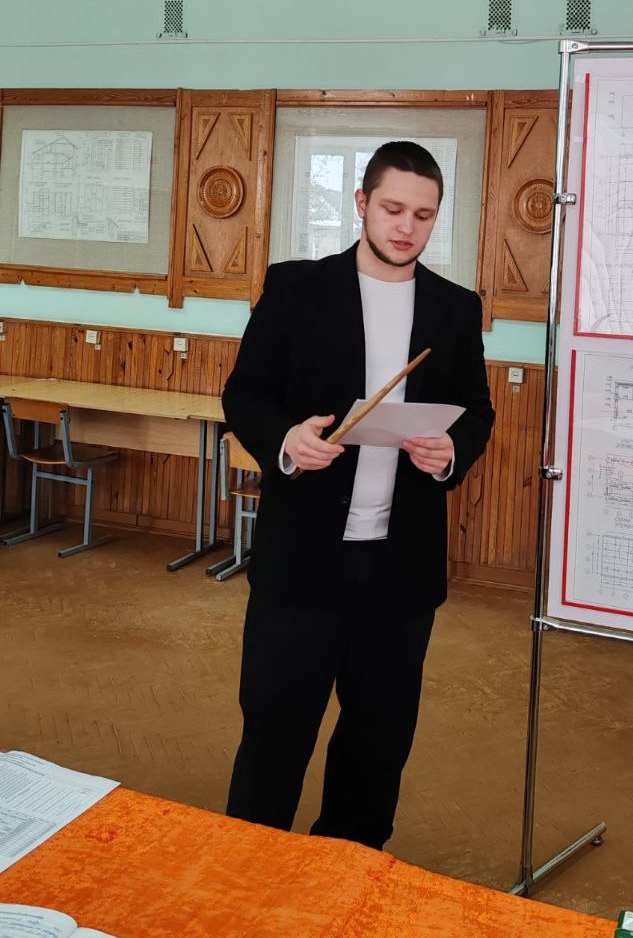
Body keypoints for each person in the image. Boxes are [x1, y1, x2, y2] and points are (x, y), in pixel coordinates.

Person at [221, 140, 494, 851]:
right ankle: (249, 873)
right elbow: (245, 393)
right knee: (275, 737)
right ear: (362, 203)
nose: (407, 227)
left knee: (377, 748)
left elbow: (476, 410)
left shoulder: (455, 308)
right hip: (302, 565)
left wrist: (450, 452)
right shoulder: (296, 288)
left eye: (424, 215)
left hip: (399, 575)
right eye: (394, 209)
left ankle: (346, 879)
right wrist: (287, 439)